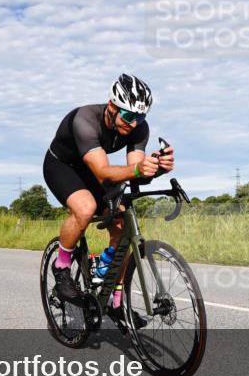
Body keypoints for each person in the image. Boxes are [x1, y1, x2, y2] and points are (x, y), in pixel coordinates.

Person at [43, 74, 174, 325]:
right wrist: (137, 171)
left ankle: (115, 301)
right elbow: (103, 172)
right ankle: (61, 267)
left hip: (94, 170)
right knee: (85, 209)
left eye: (140, 118)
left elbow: (135, 171)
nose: (134, 124)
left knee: (123, 223)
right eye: (128, 116)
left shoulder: (137, 128)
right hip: (63, 167)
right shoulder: (85, 120)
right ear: (112, 107)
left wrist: (156, 167)